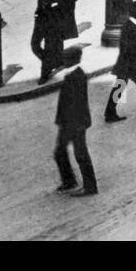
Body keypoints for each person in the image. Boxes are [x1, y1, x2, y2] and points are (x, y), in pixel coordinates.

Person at [53, 46, 98, 196]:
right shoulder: (74, 75)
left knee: (80, 154)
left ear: (72, 60)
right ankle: (69, 181)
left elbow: (75, 104)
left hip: (75, 123)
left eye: (65, 58)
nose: (63, 61)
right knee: (61, 152)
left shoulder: (75, 77)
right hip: (68, 122)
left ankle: (89, 187)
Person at [32, 0, 67, 85]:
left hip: (52, 27)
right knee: (34, 45)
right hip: (40, 25)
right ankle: (51, 61)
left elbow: (60, 11)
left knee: (49, 47)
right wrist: (37, 15)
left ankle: (45, 73)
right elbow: (39, 8)